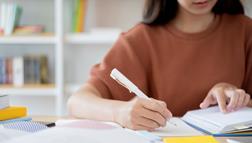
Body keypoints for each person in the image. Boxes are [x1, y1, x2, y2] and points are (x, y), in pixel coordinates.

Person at [67, 0, 252, 131]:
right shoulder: (138, 40)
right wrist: (120, 113)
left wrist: (237, 99)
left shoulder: (245, 31)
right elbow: (77, 102)